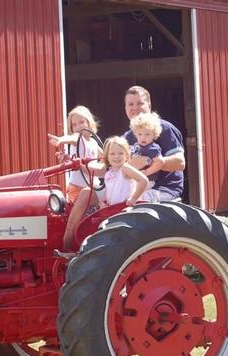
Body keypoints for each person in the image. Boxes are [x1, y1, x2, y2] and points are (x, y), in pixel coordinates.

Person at [62, 86, 185, 250]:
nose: (135, 108)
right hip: (127, 183)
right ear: (125, 108)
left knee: (122, 205)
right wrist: (79, 163)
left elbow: (180, 162)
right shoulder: (127, 136)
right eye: (130, 104)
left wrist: (152, 161)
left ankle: (110, 250)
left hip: (161, 188)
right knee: (86, 193)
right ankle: (68, 245)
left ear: (149, 104)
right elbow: (109, 168)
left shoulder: (163, 128)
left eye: (140, 103)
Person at [48, 105, 103, 203]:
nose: (78, 127)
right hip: (78, 188)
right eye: (74, 125)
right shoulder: (78, 138)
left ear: (89, 123)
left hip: (93, 187)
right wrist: (61, 140)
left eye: (82, 122)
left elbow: (104, 155)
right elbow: (72, 138)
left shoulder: (94, 142)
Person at [130, 111, 164, 192]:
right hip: (136, 178)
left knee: (133, 193)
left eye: (147, 134)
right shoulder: (136, 146)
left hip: (147, 180)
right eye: (140, 134)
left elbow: (159, 162)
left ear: (154, 134)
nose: (143, 138)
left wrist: (146, 172)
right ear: (135, 134)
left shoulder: (153, 148)